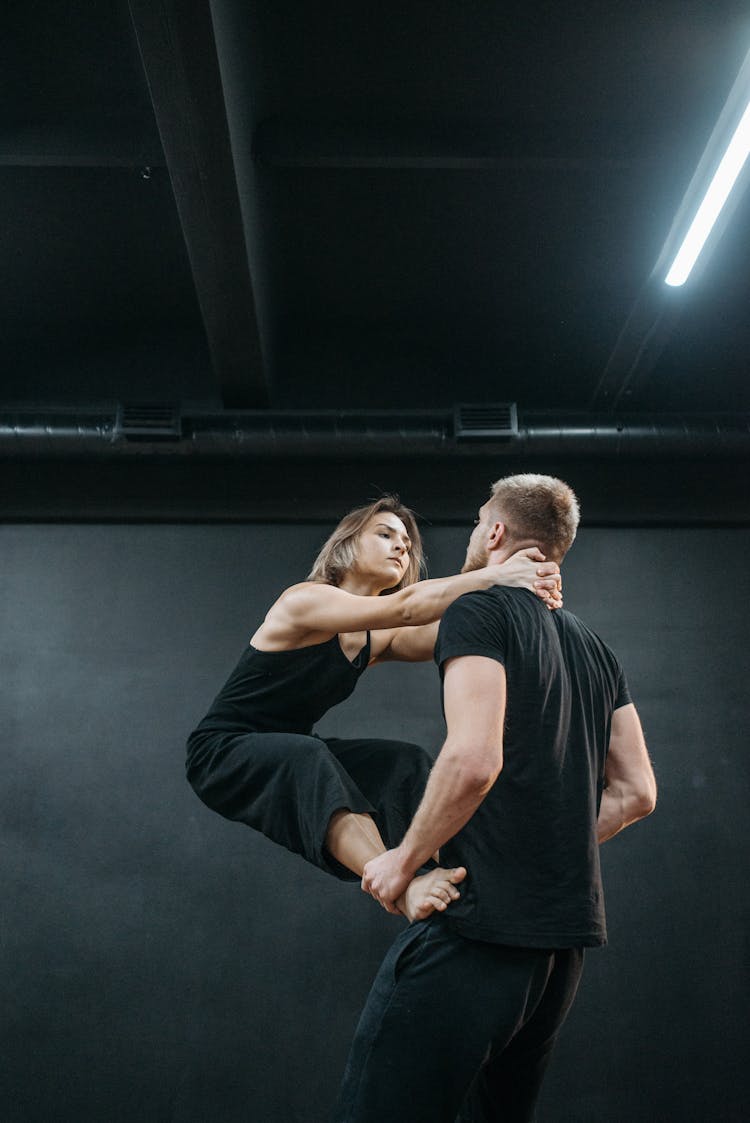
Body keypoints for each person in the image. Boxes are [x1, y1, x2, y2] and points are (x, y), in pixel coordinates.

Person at [334, 475, 657, 1122]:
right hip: (558, 957)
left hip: (478, 935)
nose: (475, 532)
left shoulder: (478, 610)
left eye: (480, 521)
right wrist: (541, 842)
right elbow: (638, 791)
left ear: (497, 532)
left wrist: (403, 862)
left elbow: (475, 759)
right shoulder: (596, 650)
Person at [186, 495, 562, 922]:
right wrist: (498, 573)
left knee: (403, 763)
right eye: (385, 534)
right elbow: (406, 608)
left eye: (406, 541)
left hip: (291, 746)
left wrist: (527, 594)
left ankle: (460, 873)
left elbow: (457, 623)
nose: (401, 546)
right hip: (222, 752)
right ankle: (394, 883)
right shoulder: (304, 602)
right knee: (309, 758)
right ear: (347, 545)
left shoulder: (373, 638)